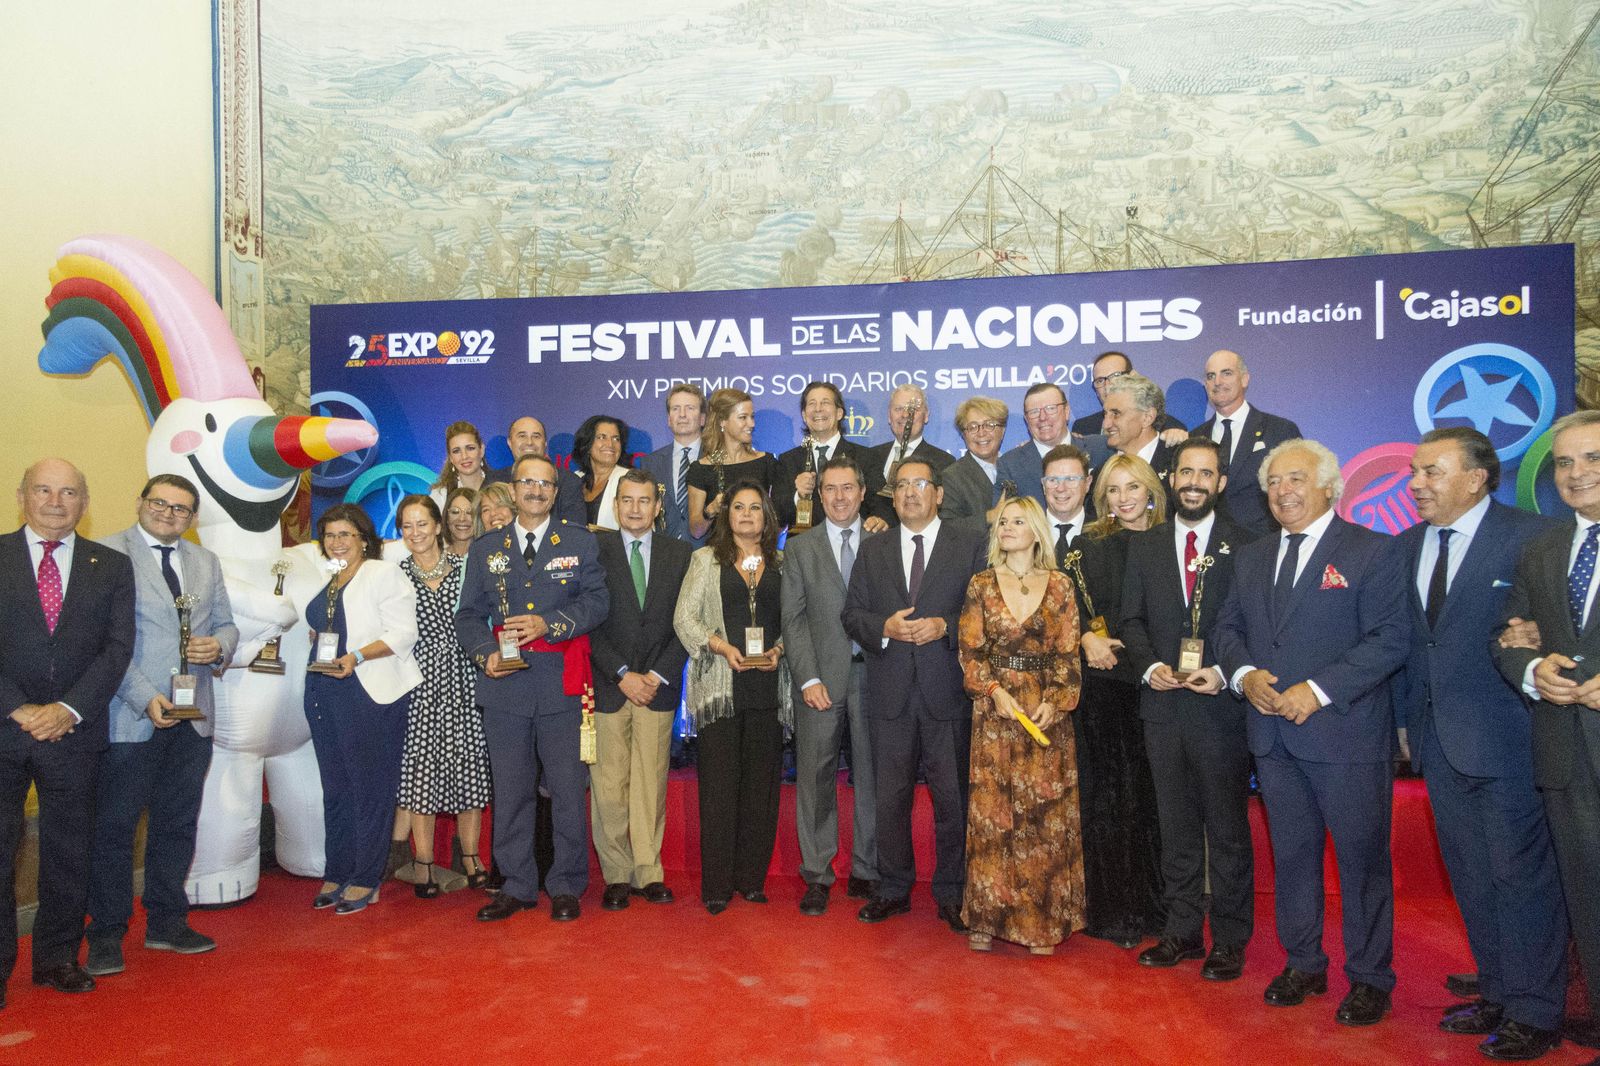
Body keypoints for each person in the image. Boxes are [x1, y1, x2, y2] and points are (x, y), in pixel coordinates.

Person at [1214, 439, 1409, 1027]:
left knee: (1360, 861)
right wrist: (1245, 675)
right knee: (1293, 857)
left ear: (1329, 485)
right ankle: (1304, 961)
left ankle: (1371, 976)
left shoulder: (1373, 550)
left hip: (1345, 735)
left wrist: (1316, 690)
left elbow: (1390, 639)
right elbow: (1227, 629)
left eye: (1295, 479)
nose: (1283, 492)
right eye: (1274, 482)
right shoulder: (1251, 556)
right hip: (1271, 737)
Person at [1396, 428, 1564, 1061]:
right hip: (1436, 741)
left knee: (1521, 877)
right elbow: (1412, 645)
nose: (1416, 483)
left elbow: (1565, 621)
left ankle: (1536, 1011)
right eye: (1414, 472)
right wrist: (1402, 725)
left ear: (1477, 477)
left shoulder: (1532, 538)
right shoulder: (1407, 545)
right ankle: (1498, 991)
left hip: (1510, 737)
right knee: (1471, 875)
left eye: (1432, 472)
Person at [86, 475, 238, 978]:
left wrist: (219, 646)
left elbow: (226, 623)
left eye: (182, 510)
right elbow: (103, 643)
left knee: (176, 824)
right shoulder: (107, 554)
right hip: (131, 717)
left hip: (193, 720)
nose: (170, 515)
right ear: (141, 503)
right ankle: (107, 934)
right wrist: (142, 695)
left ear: (192, 518)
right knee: (114, 830)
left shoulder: (204, 561)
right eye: (161, 504)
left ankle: (167, 922)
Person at [1118, 439, 1254, 981]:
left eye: (1207, 473)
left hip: (1219, 706)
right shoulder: (1146, 547)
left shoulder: (1247, 545)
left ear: (1221, 483)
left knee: (1225, 829)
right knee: (1173, 827)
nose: (1194, 482)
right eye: (1186, 472)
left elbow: (1253, 625)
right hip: (1163, 706)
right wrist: (1150, 668)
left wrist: (1221, 671)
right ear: (1171, 479)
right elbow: (1130, 621)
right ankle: (1180, 931)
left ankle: (1230, 939)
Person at [0, 459, 133, 1002]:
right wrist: (19, 708)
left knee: (68, 852)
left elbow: (117, 648)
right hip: (4, 729)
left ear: (84, 501)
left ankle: (56, 958)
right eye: (44, 490)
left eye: (69, 492)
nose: (56, 501)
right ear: (22, 495)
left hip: (75, 733)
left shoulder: (112, 565)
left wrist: (69, 709)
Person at [456, 454, 608, 923]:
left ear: (555, 490)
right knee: (513, 791)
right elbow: (466, 616)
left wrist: (550, 622)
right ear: (515, 487)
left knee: (565, 791)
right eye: (528, 483)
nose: (536, 491)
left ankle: (565, 885)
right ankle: (517, 885)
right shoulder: (486, 548)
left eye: (545, 484)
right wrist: (486, 654)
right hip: (505, 689)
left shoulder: (579, 543)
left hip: (561, 686)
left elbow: (598, 602)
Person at [1493, 409, 1600, 1058]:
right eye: (1564, 462)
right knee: (1588, 907)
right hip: (1565, 757)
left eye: (1591, 458)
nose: (1576, 473)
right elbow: (1508, 635)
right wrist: (1533, 669)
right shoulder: (1541, 550)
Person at [843, 459, 987, 931]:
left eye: (919, 484)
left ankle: (952, 892)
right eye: (901, 485)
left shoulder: (969, 544)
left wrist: (946, 626)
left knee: (952, 800)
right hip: (889, 693)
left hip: (948, 692)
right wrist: (882, 628)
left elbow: (985, 611)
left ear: (939, 494)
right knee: (890, 798)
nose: (909, 493)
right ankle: (892, 888)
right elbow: (853, 615)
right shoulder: (873, 550)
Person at [958, 495, 1085, 955]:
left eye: (1018, 521)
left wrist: (1056, 701)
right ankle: (987, 919)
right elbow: (970, 652)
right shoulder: (981, 584)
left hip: (1044, 716)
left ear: (1036, 531)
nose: (1007, 528)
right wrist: (994, 692)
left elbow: (1069, 654)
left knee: (1044, 819)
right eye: (1003, 522)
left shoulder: (1062, 585)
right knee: (993, 818)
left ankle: (1041, 923)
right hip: (995, 714)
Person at [673, 481, 790, 913]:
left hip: (769, 688)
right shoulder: (705, 560)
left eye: (754, 508)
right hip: (720, 689)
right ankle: (718, 885)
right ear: (727, 515)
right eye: (738, 507)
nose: (745, 515)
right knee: (719, 790)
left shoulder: (783, 562)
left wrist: (779, 649)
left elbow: (794, 619)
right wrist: (721, 647)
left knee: (761, 789)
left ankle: (751, 880)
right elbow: (684, 618)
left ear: (767, 516)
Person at [303, 504, 422, 916]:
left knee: (370, 789)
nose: (337, 542)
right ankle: (338, 870)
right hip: (322, 690)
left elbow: (405, 632)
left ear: (364, 540)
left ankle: (368, 879)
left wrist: (357, 655)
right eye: (330, 536)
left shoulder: (382, 573)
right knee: (335, 788)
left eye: (345, 535)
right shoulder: (329, 578)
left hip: (370, 691)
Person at [1068, 453, 1166, 948]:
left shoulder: (1173, 541)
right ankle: (1110, 911)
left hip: (1160, 687)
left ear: (1152, 489)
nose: (1124, 498)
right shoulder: (1085, 546)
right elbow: (1069, 609)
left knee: (1156, 801)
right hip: (1104, 688)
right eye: (1113, 489)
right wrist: (1086, 637)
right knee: (1107, 799)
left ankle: (1160, 909)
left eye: (1133, 487)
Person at [589, 470, 692, 909]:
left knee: (650, 783)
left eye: (644, 500)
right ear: (616, 506)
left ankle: (648, 872)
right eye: (627, 500)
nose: (635, 508)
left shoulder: (681, 553)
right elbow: (585, 620)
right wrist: (622, 674)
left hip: (658, 687)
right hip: (611, 686)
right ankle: (616, 873)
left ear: (657, 506)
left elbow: (686, 621)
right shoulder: (595, 550)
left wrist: (655, 676)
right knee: (609, 786)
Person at [781, 456, 879, 915]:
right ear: (819, 497)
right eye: (830, 490)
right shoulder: (800, 548)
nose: (840, 497)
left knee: (873, 777)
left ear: (862, 492)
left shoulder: (884, 541)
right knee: (817, 778)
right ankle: (817, 873)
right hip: (820, 680)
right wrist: (808, 678)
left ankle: (867, 869)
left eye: (848, 488)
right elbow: (793, 619)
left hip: (877, 678)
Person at [393, 496, 492, 897]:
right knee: (422, 774)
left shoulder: (467, 569)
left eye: (422, 524)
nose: (415, 533)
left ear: (438, 526)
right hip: (418, 684)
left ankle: (470, 856)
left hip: (466, 678)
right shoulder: (395, 576)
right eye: (407, 526)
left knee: (470, 769)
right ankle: (424, 861)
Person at [1191, 349, 1301, 539]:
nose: (1217, 382)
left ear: (1244, 379)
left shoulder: (1280, 430)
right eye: (1211, 376)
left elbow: (1301, 489)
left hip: (1265, 548)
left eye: (1226, 373)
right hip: (1209, 552)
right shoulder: (1194, 439)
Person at [771, 380, 880, 531]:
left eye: (825, 403)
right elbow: (776, 514)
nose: (818, 409)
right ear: (804, 415)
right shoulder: (787, 461)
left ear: (839, 413)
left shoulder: (865, 457)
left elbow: (880, 507)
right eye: (812, 404)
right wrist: (798, 496)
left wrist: (879, 519)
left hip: (853, 546)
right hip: (804, 549)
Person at [995, 383, 1111, 509]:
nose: (1043, 417)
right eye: (1034, 412)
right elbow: (1001, 520)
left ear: (1066, 411)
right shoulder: (1010, 465)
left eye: (1051, 408)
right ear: (1026, 419)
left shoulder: (1102, 448)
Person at [687, 388, 776, 541]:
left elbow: (777, 519)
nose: (751, 423)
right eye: (743, 417)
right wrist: (711, 509)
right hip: (719, 557)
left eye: (752, 417)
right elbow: (696, 530)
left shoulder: (766, 462)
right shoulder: (701, 469)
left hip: (759, 555)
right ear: (723, 421)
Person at [865, 384, 955, 526]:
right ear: (889, 416)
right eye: (898, 409)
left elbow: (943, 513)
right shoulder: (869, 456)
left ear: (926, 416)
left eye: (914, 409)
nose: (905, 415)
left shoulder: (944, 462)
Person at [640, 383, 708, 546]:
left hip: (709, 555)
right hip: (664, 556)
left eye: (690, 408)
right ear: (669, 419)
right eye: (676, 408)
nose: (682, 415)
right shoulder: (650, 463)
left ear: (703, 418)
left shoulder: (718, 459)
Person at [487, 416, 586, 528]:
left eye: (536, 436)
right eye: (522, 436)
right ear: (509, 442)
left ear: (545, 443)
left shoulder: (568, 481)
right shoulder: (493, 480)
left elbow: (575, 534)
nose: (529, 442)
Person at [1072, 351, 1187, 437]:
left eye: (1116, 376)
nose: (1108, 386)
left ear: (1133, 377)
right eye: (1100, 381)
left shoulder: (1169, 428)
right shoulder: (1083, 428)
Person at [940, 396, 1009, 524]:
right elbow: (948, 527)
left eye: (989, 425)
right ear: (964, 435)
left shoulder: (1015, 466)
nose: (981, 433)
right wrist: (990, 517)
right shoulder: (952, 476)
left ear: (1002, 431)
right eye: (972, 427)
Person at [1101, 373, 1178, 473]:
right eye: (1105, 414)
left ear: (1147, 417)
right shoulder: (1102, 473)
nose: (1106, 424)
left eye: (1116, 413)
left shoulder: (1177, 463)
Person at [572, 414, 632, 530]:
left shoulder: (629, 480)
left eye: (616, 439)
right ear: (587, 444)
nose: (610, 444)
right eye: (601, 437)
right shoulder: (573, 479)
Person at [429, 421, 489, 508]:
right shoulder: (441, 495)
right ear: (451, 458)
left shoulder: (500, 486)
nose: (464, 456)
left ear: (481, 450)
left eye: (470, 448)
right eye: (456, 451)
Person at [443, 486, 480, 557]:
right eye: (455, 512)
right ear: (447, 518)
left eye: (469, 512)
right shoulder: (436, 559)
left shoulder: (488, 558)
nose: (462, 518)